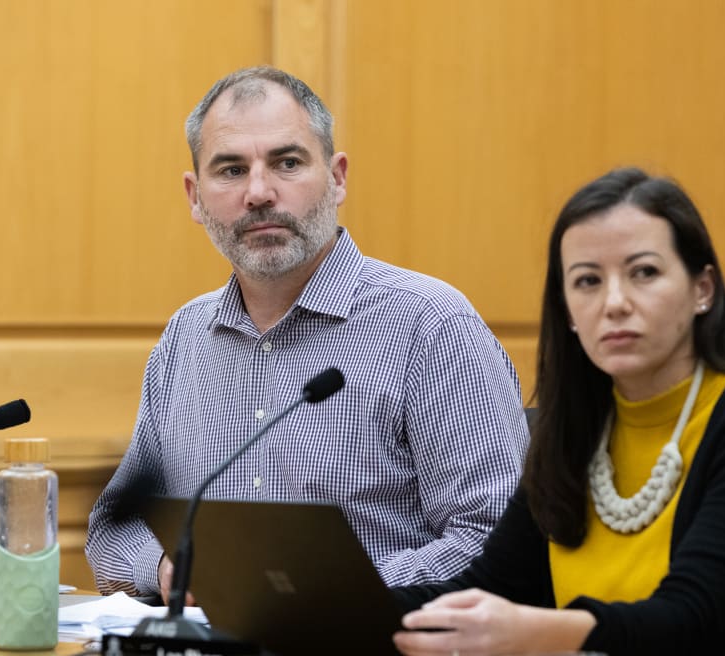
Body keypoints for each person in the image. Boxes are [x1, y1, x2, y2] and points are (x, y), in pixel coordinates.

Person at [85, 66, 529, 598]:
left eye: (287, 163)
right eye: (229, 170)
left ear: (338, 178)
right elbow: (114, 527)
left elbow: (496, 541)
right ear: (194, 198)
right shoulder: (186, 337)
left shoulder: (430, 325)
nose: (259, 192)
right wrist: (166, 568)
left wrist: (302, 590)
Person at [392, 167, 725, 655]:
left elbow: (694, 617)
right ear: (568, 311)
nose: (614, 303)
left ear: (703, 289)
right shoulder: (576, 431)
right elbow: (488, 591)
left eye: (644, 273)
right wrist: (329, 608)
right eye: (588, 281)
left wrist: (533, 634)